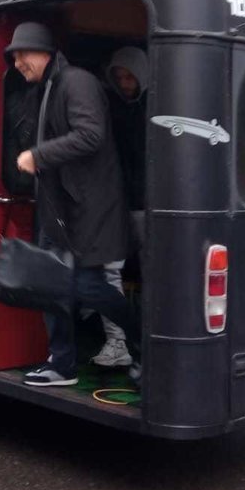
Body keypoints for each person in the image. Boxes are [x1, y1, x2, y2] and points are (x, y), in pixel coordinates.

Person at [6, 22, 137, 387]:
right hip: (62, 212)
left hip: (86, 212)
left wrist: (38, 155)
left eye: (21, 54)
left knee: (88, 286)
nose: (17, 63)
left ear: (42, 51)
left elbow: (90, 135)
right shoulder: (50, 85)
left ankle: (142, 339)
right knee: (53, 284)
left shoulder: (76, 82)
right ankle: (62, 363)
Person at [87, 46, 149, 368]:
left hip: (146, 206)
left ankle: (146, 339)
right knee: (108, 272)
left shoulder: (157, 108)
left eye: (130, 77)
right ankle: (118, 341)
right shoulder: (111, 109)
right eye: (119, 77)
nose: (125, 83)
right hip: (116, 203)